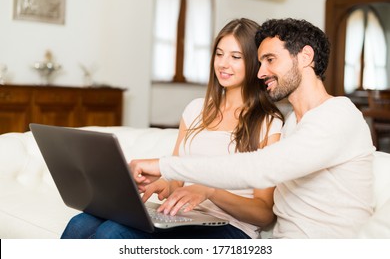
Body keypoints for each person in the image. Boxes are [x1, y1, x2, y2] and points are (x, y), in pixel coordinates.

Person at [131, 18, 375, 239]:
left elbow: (260, 167)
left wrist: (165, 166)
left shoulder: (339, 115)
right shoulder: (293, 123)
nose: (260, 72)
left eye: (270, 60)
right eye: (259, 62)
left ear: (305, 57)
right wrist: (170, 182)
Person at [61, 18, 284, 239]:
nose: (223, 64)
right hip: (185, 216)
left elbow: (264, 213)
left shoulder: (268, 122)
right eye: (219, 54)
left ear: (255, 63)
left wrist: (210, 191)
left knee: (113, 233)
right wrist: (159, 185)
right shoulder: (195, 109)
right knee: (80, 223)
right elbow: (177, 180)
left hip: (231, 228)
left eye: (235, 57)